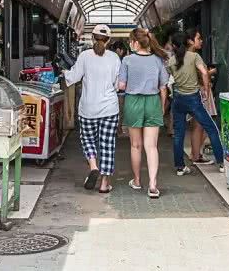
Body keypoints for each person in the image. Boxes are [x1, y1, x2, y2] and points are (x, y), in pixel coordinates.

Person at [63, 24, 122, 193]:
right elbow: (117, 85)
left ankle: (93, 166)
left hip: (88, 108)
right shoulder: (114, 58)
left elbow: (73, 77)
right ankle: (104, 184)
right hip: (110, 108)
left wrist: (63, 72)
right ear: (109, 40)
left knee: (87, 140)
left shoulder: (84, 56)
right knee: (107, 144)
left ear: (91, 38)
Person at [118, 28, 169, 198]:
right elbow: (163, 87)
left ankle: (137, 180)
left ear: (135, 43)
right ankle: (153, 185)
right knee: (152, 146)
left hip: (133, 102)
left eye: (131, 41)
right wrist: (162, 106)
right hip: (153, 101)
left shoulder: (127, 60)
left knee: (136, 145)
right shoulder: (158, 60)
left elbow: (122, 86)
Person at [167, 31, 225, 176]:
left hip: (178, 99)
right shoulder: (194, 56)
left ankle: (180, 167)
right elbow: (204, 72)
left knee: (179, 134)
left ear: (174, 46)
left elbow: (170, 80)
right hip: (193, 99)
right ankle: (222, 163)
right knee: (211, 128)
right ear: (188, 42)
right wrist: (206, 88)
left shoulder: (171, 61)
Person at [186, 28, 218, 165]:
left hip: (193, 92)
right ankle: (196, 155)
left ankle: (195, 154)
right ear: (190, 41)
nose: (201, 41)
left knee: (197, 125)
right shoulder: (194, 57)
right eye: (198, 38)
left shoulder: (185, 56)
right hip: (201, 92)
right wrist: (210, 73)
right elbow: (201, 75)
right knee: (201, 125)